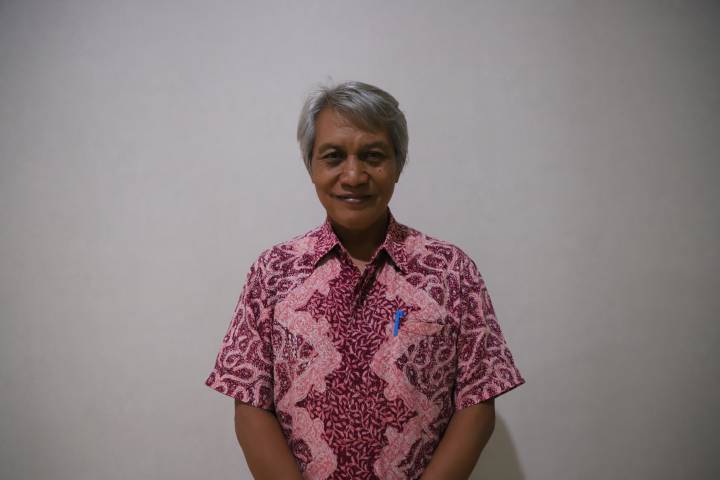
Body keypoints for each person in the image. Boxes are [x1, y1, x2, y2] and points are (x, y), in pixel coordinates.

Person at [205, 81, 525, 480]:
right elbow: (250, 403)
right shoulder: (272, 272)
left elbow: (478, 402)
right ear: (311, 166)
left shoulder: (451, 271)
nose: (354, 175)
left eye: (373, 156)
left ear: (398, 165)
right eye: (334, 157)